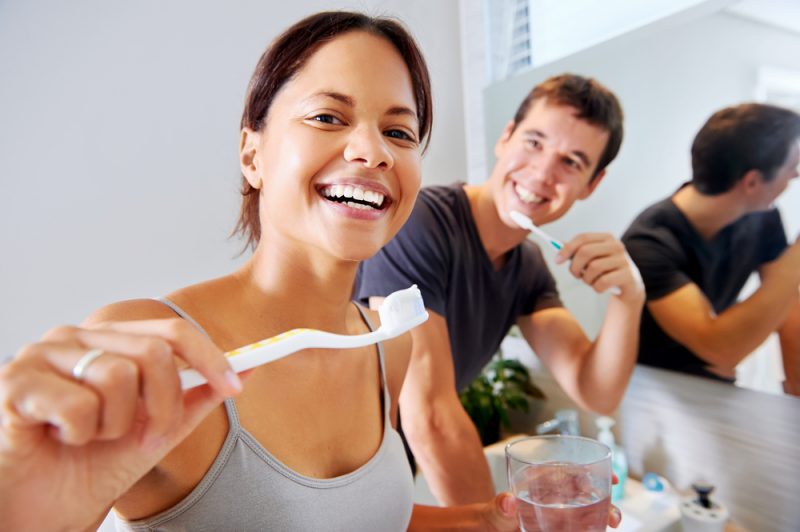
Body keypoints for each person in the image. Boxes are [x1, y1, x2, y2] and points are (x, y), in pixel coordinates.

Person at [0, 11, 536, 531]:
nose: (373, 151)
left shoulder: (387, 346)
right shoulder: (147, 346)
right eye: (328, 117)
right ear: (252, 155)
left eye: (399, 132)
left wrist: (484, 522)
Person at [356, 74, 646, 505]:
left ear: (592, 185)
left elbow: (595, 390)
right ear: (505, 137)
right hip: (325, 464)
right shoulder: (422, 224)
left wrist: (630, 298)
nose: (543, 172)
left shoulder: (528, 266)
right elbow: (430, 415)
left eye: (572, 162)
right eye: (534, 142)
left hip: (386, 469)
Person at [622, 103, 800, 394]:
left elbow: (787, 306)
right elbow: (719, 348)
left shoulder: (763, 216)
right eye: (791, 167)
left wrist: (796, 392)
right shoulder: (649, 242)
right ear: (752, 181)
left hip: (717, 380)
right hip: (655, 389)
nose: (795, 176)